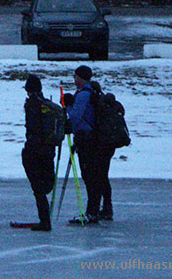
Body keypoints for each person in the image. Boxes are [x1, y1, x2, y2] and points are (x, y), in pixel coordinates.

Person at [67, 65, 116, 224]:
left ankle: (91, 212)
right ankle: (106, 209)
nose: (74, 80)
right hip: (100, 140)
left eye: (75, 77)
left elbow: (75, 117)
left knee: (90, 177)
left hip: (87, 140)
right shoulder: (95, 92)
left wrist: (67, 106)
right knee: (101, 175)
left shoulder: (83, 95)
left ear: (80, 78)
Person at [21, 74, 55, 231]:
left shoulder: (32, 105)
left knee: (38, 188)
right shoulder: (48, 104)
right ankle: (45, 218)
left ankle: (45, 221)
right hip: (49, 149)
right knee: (45, 185)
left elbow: (32, 129)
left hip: (35, 149)